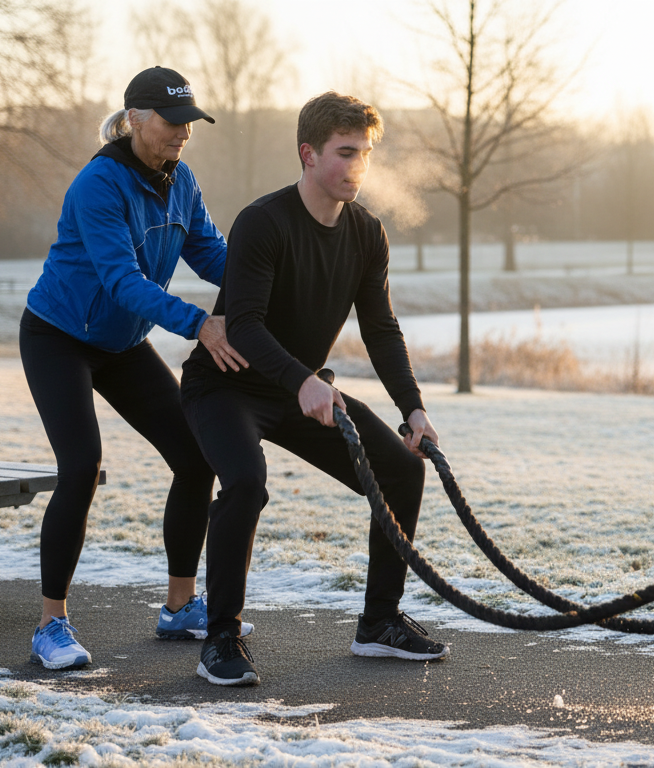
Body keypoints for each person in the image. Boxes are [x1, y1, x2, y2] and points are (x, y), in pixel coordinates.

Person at [181, 91, 450, 686]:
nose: (358, 166)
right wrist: (302, 378)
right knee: (246, 483)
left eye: (366, 153)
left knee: (404, 470)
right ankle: (221, 638)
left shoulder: (365, 234)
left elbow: (381, 330)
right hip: (223, 386)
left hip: (300, 390)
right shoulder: (263, 222)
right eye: (345, 152)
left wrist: (414, 410)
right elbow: (244, 323)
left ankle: (379, 623)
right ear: (308, 154)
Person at [20, 66, 252, 670]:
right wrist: (200, 323)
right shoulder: (99, 185)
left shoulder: (183, 182)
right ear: (136, 120)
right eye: (173, 123)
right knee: (81, 466)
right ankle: (51, 624)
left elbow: (210, 253)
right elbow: (122, 282)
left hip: (121, 344)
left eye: (189, 124)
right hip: (59, 336)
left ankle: (179, 608)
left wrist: (264, 290)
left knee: (195, 454)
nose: (183, 133)